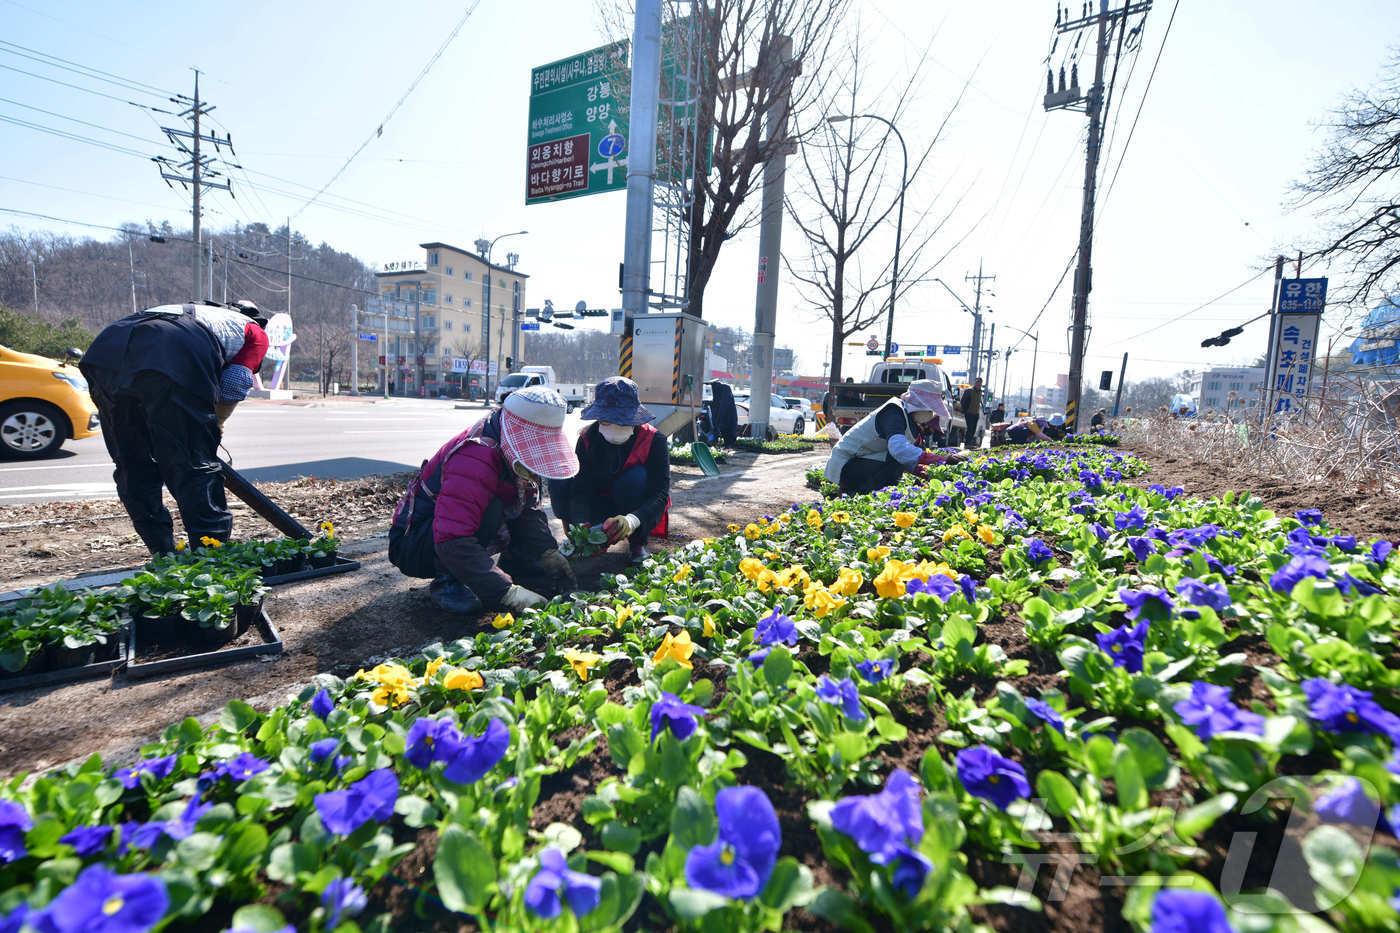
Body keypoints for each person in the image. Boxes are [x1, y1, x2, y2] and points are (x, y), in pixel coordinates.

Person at [79, 300, 269, 554]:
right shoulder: (254, 331)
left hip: (105, 352)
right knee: (193, 464)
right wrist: (217, 424)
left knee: (132, 462)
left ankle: (162, 552)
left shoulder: (188, 310)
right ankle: (210, 558)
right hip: (171, 350)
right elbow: (236, 381)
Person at [391, 386, 579, 615]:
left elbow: (530, 510)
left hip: (448, 532)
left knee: (515, 506)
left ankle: (510, 568)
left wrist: (548, 553)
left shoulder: (507, 446)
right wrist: (505, 592)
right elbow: (453, 536)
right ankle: (449, 580)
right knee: (492, 507)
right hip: (417, 542)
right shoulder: (475, 456)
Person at [550, 377, 670, 563]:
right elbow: (580, 487)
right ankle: (576, 536)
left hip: (632, 505)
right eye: (606, 421)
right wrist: (583, 524)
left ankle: (637, 543)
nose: (614, 426)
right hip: (598, 502)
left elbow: (660, 494)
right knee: (560, 478)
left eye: (622, 422)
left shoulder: (654, 441)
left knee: (635, 478)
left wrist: (632, 520)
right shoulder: (587, 439)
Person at [823, 379, 963, 494]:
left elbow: (904, 456)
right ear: (920, 405)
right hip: (849, 464)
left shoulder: (908, 418)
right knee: (892, 467)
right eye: (930, 410)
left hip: (865, 459)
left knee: (895, 466)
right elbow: (898, 450)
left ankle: (874, 494)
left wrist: (923, 472)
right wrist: (941, 459)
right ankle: (860, 493)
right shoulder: (894, 412)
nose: (931, 415)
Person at [709, 380, 738, 447]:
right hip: (725, 420)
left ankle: (716, 442)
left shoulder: (724, 390)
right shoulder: (725, 389)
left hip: (723, 419)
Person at [960, 378, 983, 450]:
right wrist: (964, 410)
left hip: (976, 413)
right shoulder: (969, 391)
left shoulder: (980, 392)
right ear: (975, 383)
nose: (978, 384)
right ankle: (967, 443)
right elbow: (963, 401)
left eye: (980, 383)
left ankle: (969, 443)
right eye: (977, 382)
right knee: (970, 428)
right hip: (969, 413)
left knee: (973, 429)